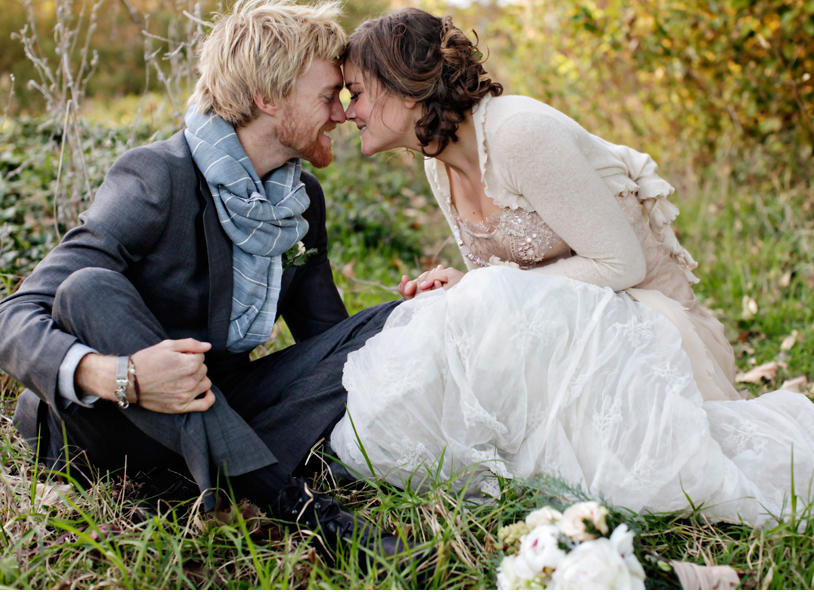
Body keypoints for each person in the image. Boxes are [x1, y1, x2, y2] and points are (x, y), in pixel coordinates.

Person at [328, 7, 814, 527]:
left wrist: (482, 288)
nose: (349, 112)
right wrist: (461, 289)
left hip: (654, 333)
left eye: (356, 93)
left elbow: (620, 264)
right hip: (571, 334)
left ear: (403, 87)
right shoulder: (437, 164)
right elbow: (501, 295)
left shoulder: (517, 133)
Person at [0, 0, 405, 559]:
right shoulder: (157, 177)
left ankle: (210, 474)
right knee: (86, 289)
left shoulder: (301, 200)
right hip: (111, 427)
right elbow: (13, 316)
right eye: (327, 97)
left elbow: (328, 340)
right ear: (267, 97)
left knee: (386, 325)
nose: (340, 114)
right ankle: (292, 501)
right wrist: (120, 376)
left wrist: (417, 314)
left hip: (218, 401)